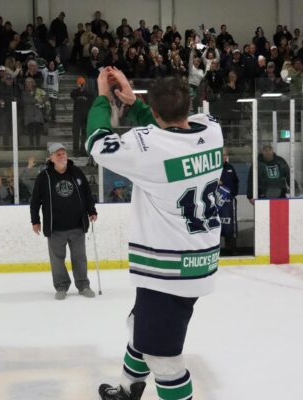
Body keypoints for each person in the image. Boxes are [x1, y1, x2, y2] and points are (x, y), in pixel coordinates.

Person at [86, 67, 223, 400]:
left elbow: (97, 143)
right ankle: (127, 388)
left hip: (169, 271)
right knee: (141, 327)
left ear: (156, 112)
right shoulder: (212, 130)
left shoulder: (147, 146)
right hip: (197, 260)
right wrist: (137, 105)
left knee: (164, 360)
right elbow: (169, 131)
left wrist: (104, 98)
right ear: (188, 106)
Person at [30, 143, 98, 300]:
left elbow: (87, 193)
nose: (62, 156)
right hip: (55, 228)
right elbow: (35, 201)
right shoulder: (44, 177)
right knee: (57, 260)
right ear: (51, 158)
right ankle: (61, 286)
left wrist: (92, 210)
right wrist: (35, 221)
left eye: (63, 153)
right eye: (58, 154)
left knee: (79, 257)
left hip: (77, 225)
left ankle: (83, 285)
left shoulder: (76, 172)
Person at [217, 147, 239, 256]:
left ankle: (232, 248)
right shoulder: (211, 169)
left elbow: (236, 182)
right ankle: (215, 250)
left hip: (228, 202)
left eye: (225, 155)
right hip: (215, 203)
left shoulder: (230, 168)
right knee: (215, 226)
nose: (224, 157)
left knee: (230, 226)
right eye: (222, 155)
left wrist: (232, 194)